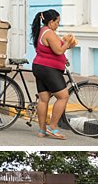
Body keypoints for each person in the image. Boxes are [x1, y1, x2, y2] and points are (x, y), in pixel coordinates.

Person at [31, 9, 77, 140]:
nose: (58, 24)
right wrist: (67, 42)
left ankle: (42, 130)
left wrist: (65, 46)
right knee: (63, 96)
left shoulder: (42, 31)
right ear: (51, 22)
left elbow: (51, 50)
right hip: (48, 69)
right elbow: (58, 51)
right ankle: (52, 127)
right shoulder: (49, 33)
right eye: (57, 22)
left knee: (44, 99)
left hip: (39, 66)